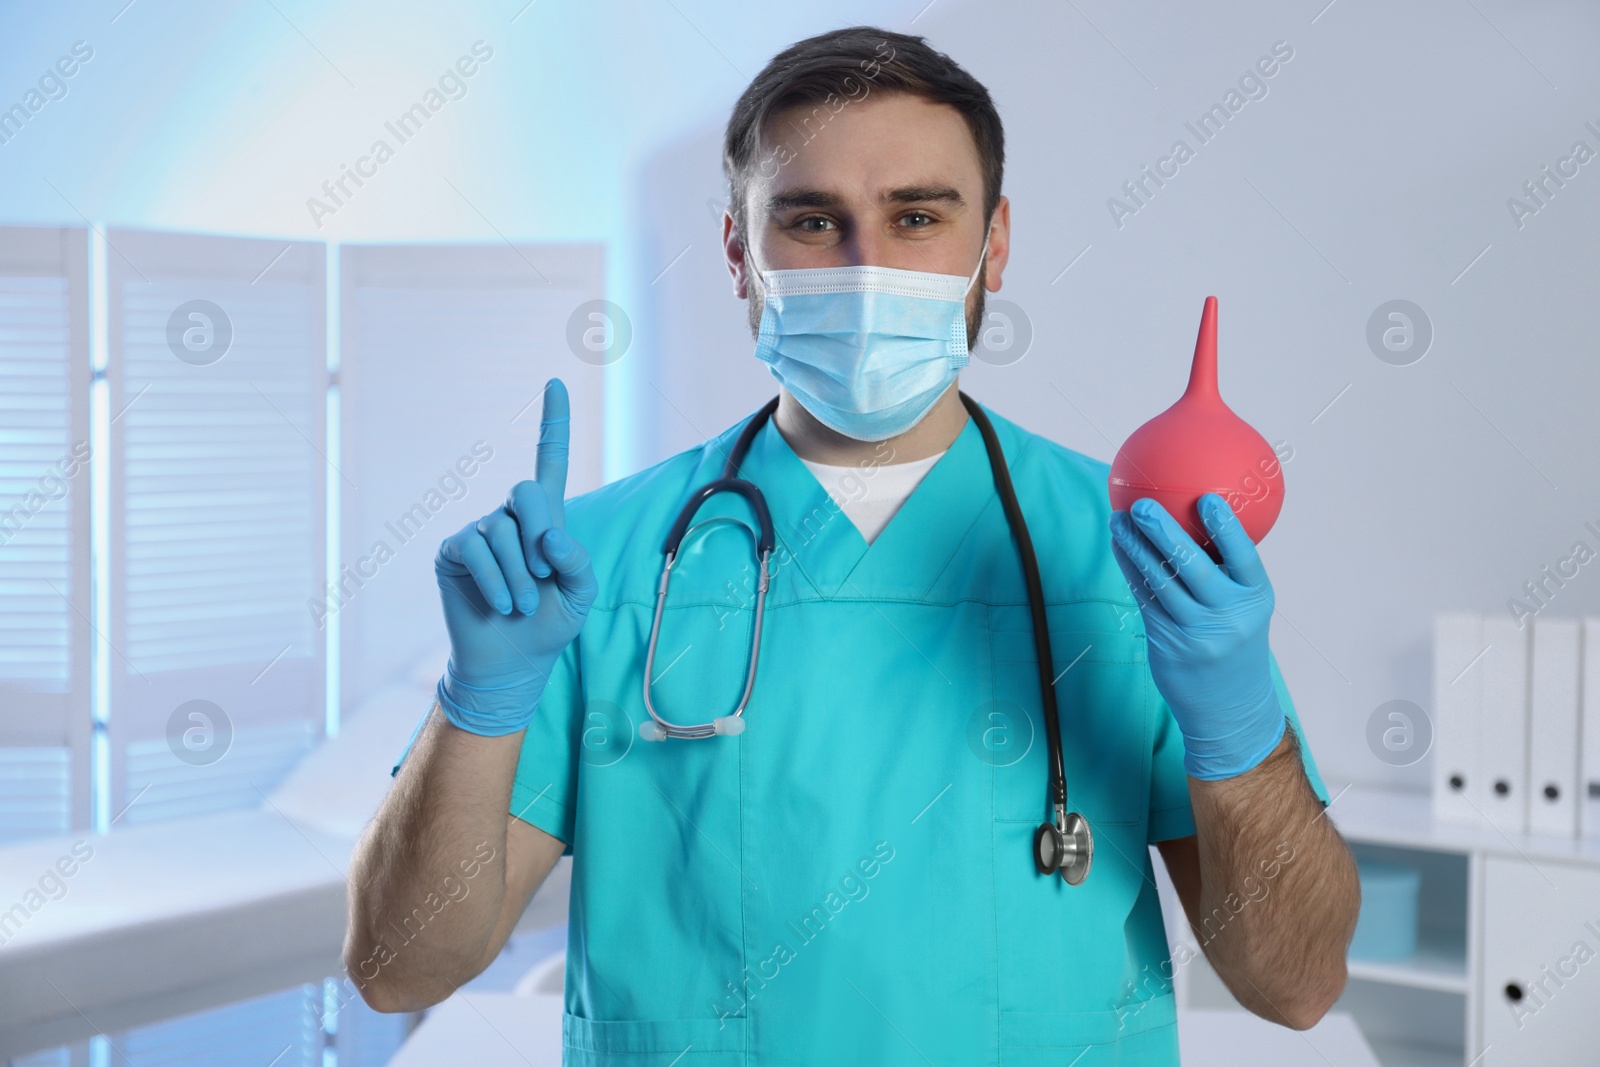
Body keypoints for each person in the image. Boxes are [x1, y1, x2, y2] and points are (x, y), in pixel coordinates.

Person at [345, 25, 1360, 1065]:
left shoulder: (1134, 560)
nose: (867, 267)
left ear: (993, 242)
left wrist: (1238, 723)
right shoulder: (591, 567)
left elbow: (1294, 983)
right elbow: (399, 968)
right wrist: (479, 702)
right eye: (812, 219)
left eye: (917, 215)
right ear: (739, 252)